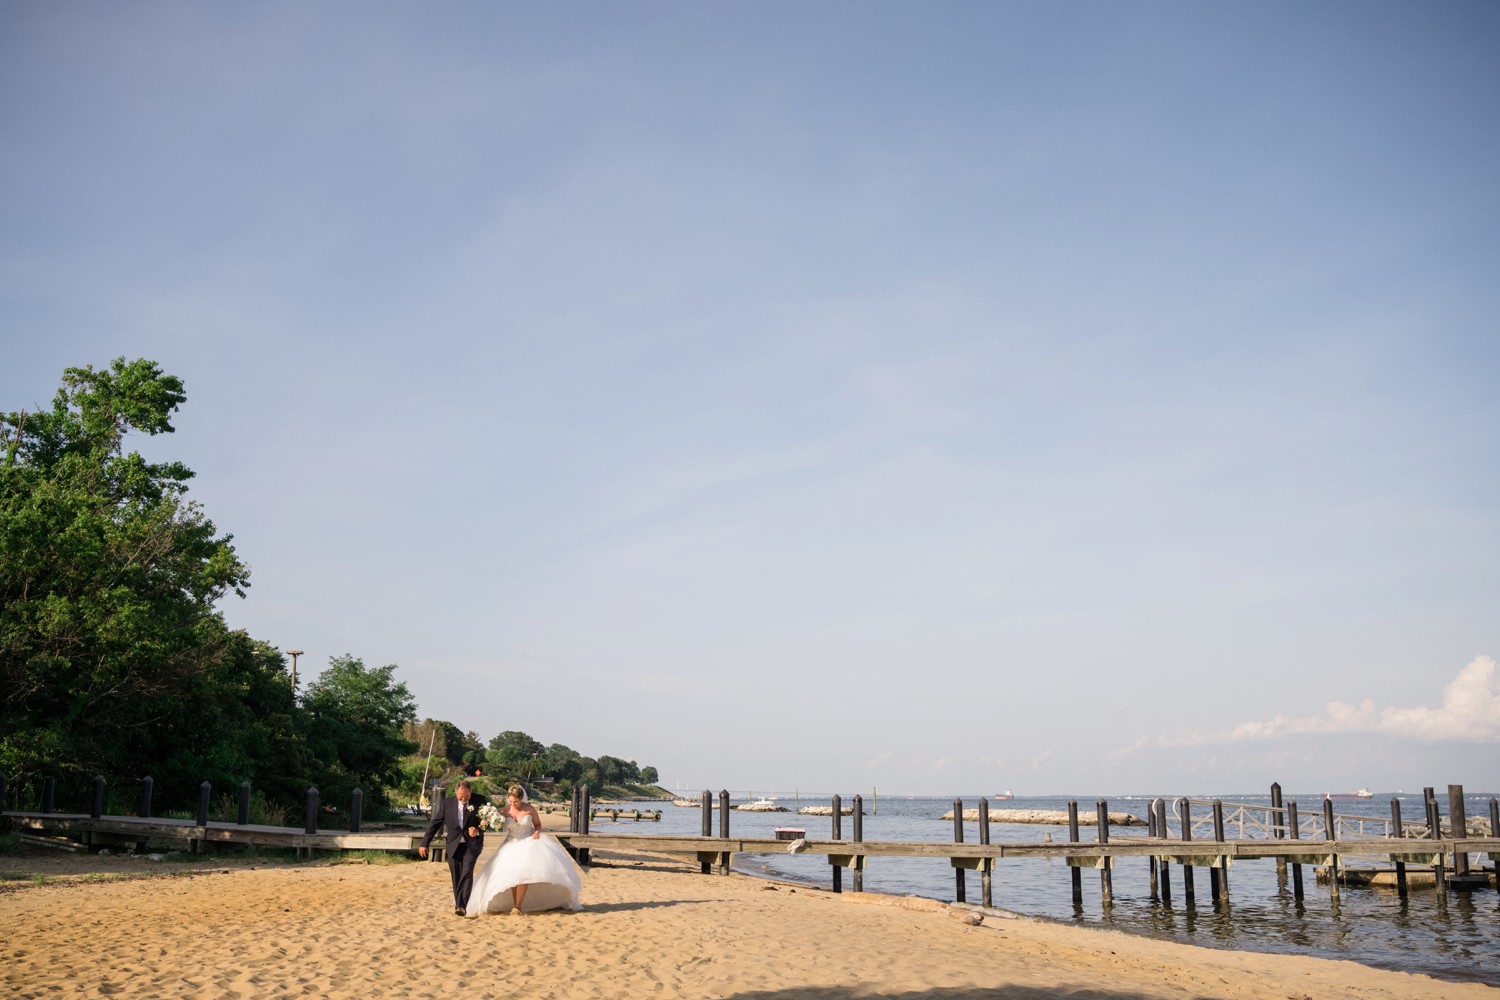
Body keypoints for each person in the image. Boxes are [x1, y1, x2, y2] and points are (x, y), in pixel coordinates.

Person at [466, 784, 582, 915]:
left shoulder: (530, 809)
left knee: (523, 874)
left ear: (521, 799)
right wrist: (484, 822)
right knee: (513, 874)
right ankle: (516, 904)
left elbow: (538, 824)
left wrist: (537, 831)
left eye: (515, 801)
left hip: (527, 842)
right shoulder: (505, 810)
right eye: (510, 801)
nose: (513, 804)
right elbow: (488, 819)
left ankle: (517, 906)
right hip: (510, 844)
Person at [419, 779, 485, 916]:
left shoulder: (480, 801)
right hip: (453, 844)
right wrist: (425, 843)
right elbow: (435, 823)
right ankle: (458, 903)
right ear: (456, 793)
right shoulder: (447, 803)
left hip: (471, 844)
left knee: (467, 872)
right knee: (456, 875)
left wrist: (479, 829)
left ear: (470, 792)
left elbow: (489, 820)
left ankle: (462, 906)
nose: (463, 799)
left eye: (466, 797)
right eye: (461, 797)